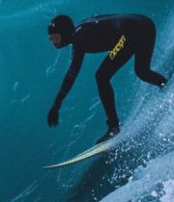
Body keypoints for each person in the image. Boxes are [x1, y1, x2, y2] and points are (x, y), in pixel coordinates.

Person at [46, 13, 167, 143]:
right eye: (51, 38)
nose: (53, 42)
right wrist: (57, 105)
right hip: (144, 24)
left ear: (64, 34)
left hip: (132, 32)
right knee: (142, 72)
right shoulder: (78, 34)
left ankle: (113, 127)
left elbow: (72, 74)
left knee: (101, 76)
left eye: (55, 38)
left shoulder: (80, 38)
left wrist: (56, 105)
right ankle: (165, 84)